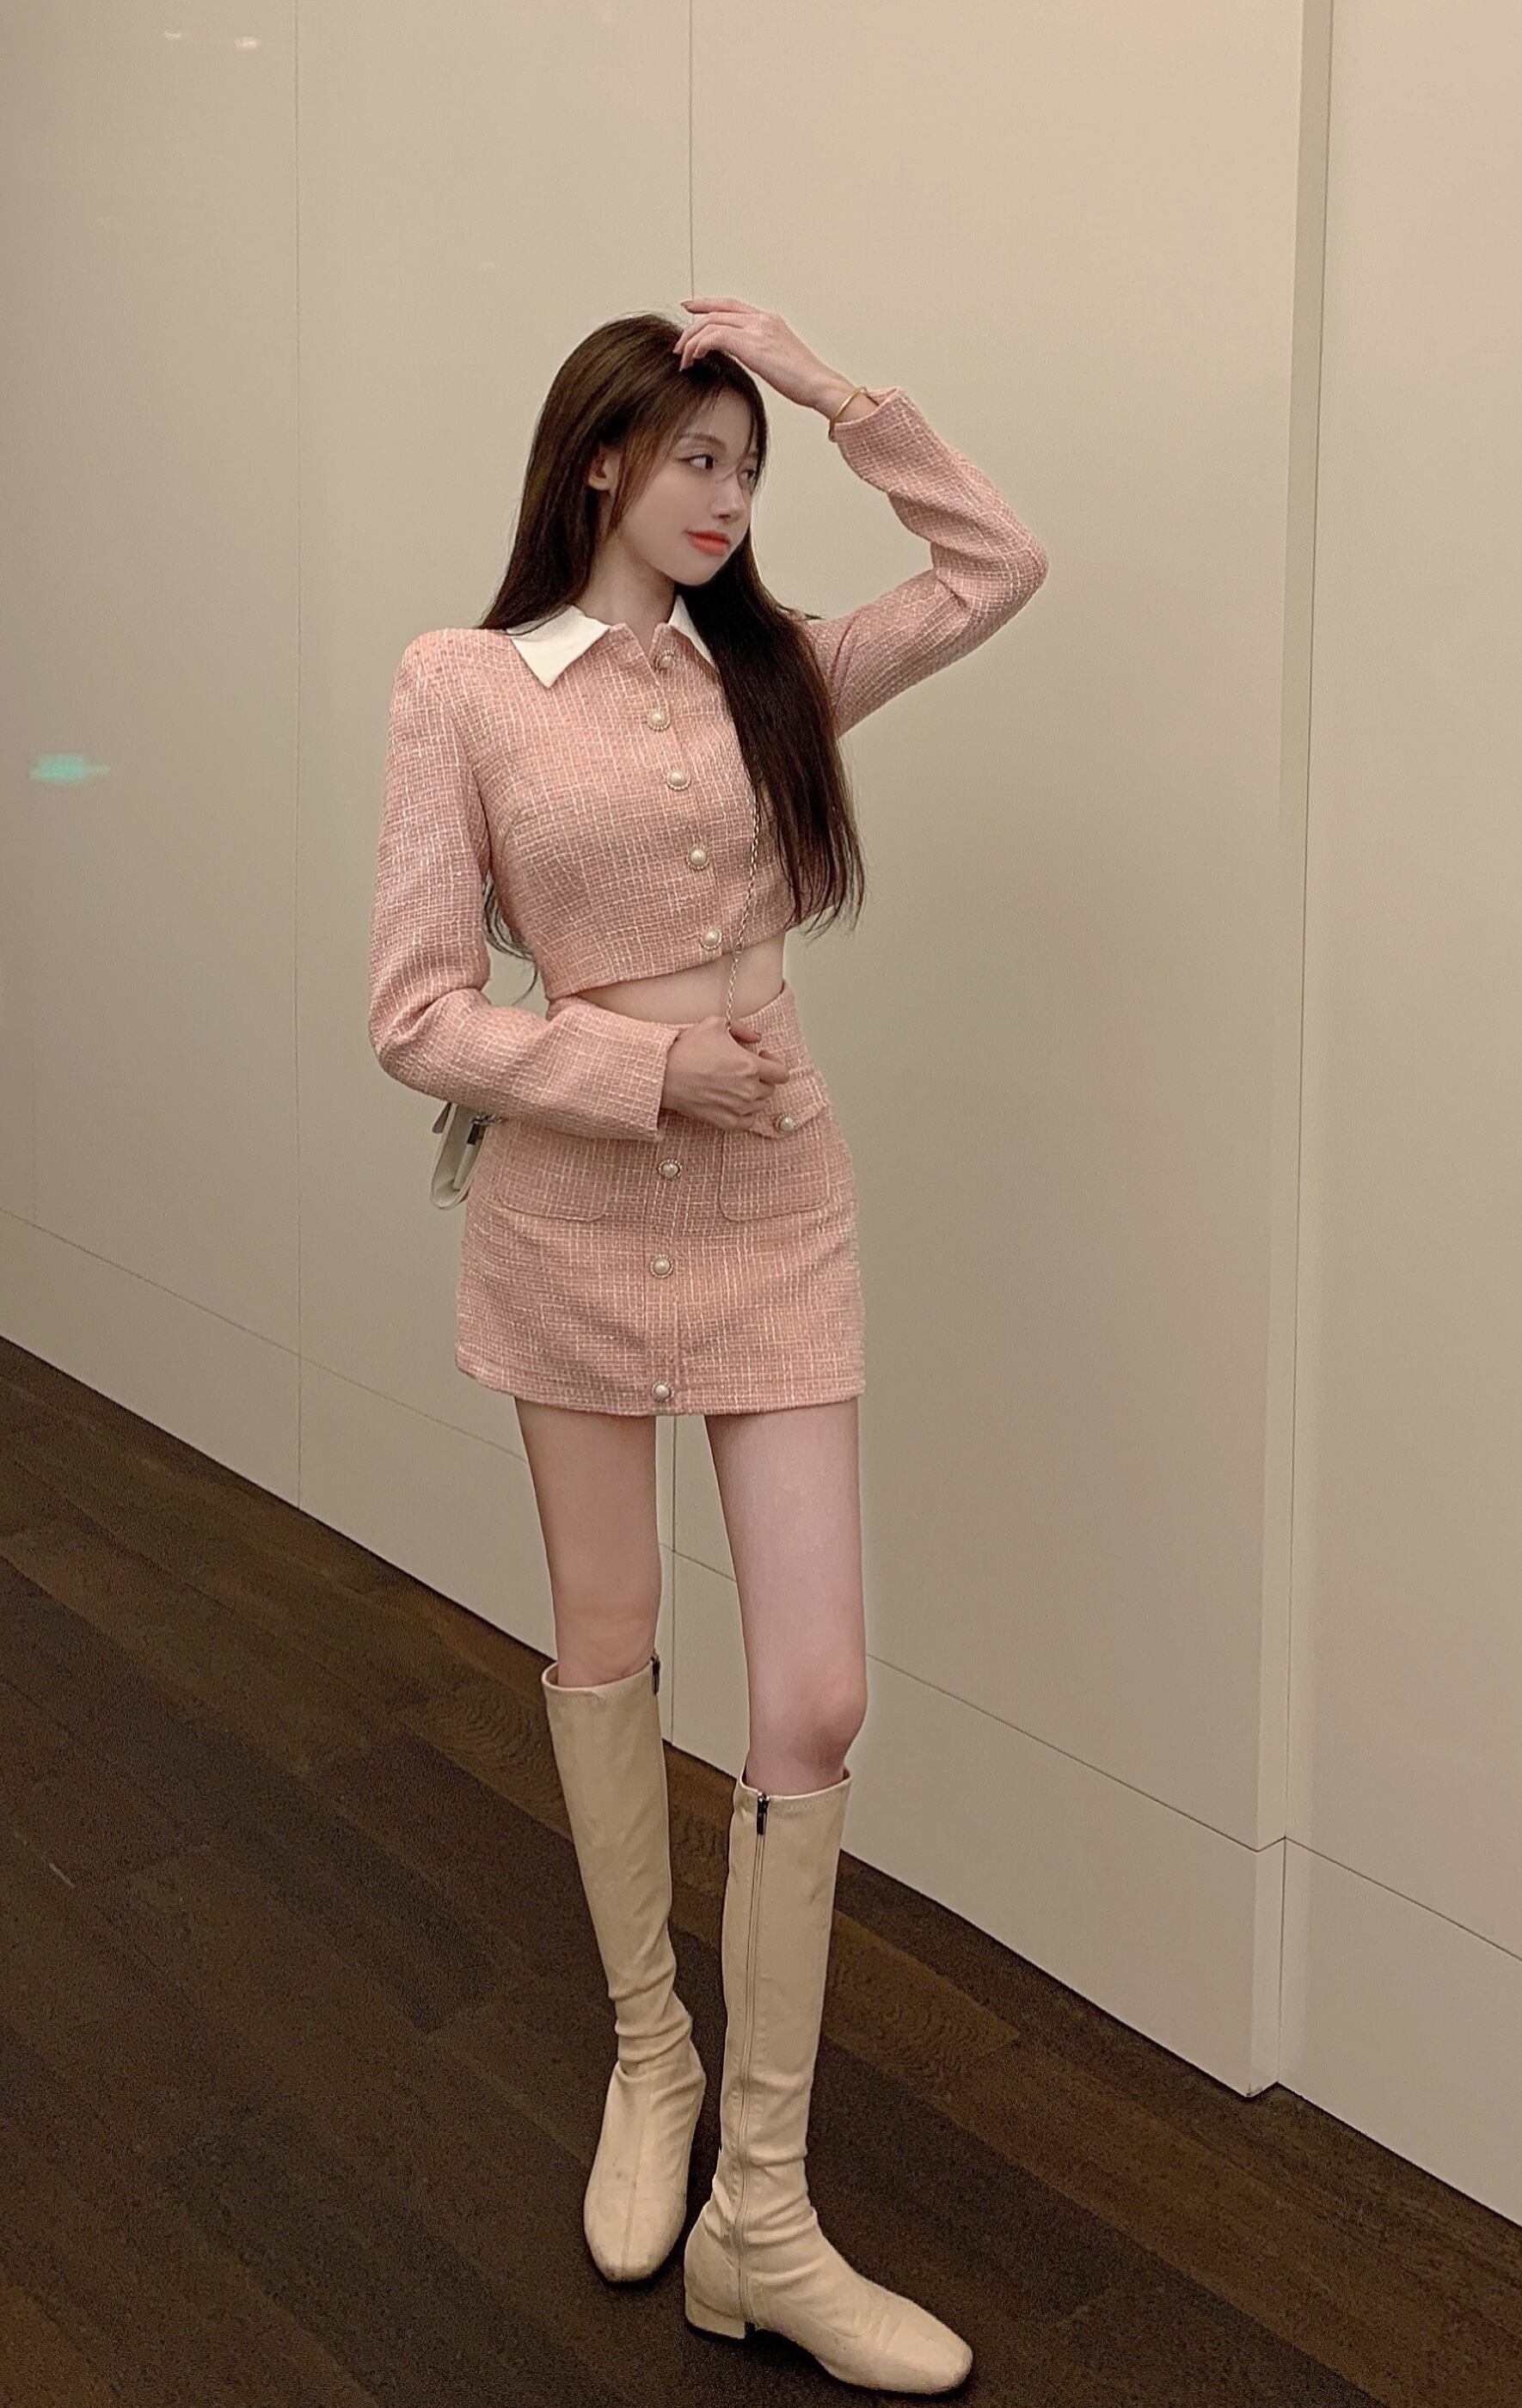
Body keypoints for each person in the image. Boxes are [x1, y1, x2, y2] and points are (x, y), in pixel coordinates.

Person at [365, 297, 1049, 2392]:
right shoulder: (463, 684)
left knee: (817, 1695)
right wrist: (646, 1076)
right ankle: (650, 2058)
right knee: (606, 1639)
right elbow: (412, 1013)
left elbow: (996, 566)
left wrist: (838, 392)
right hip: (575, 1214)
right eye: (699, 459)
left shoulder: (782, 672)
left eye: (749, 470)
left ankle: (764, 2215)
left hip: (776, 1206)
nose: (731, 499)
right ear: (602, 460)